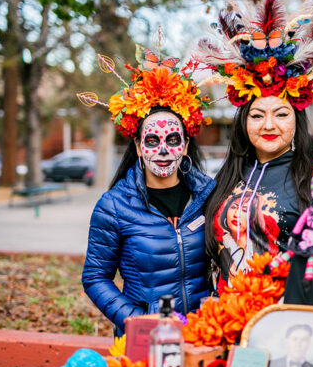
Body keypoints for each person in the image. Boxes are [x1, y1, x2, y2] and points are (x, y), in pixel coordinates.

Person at [198, 0, 313, 282]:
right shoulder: (229, 175)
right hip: (221, 314)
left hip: (284, 316)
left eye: (281, 115)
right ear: (244, 123)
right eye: (257, 116)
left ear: (297, 120)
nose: (269, 125)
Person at [81, 49, 215, 334]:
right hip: (146, 338)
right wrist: (136, 322)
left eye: (173, 139)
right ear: (139, 147)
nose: (164, 150)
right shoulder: (114, 206)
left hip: (205, 332)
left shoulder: (211, 196)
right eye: (152, 140)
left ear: (186, 145)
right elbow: (95, 277)